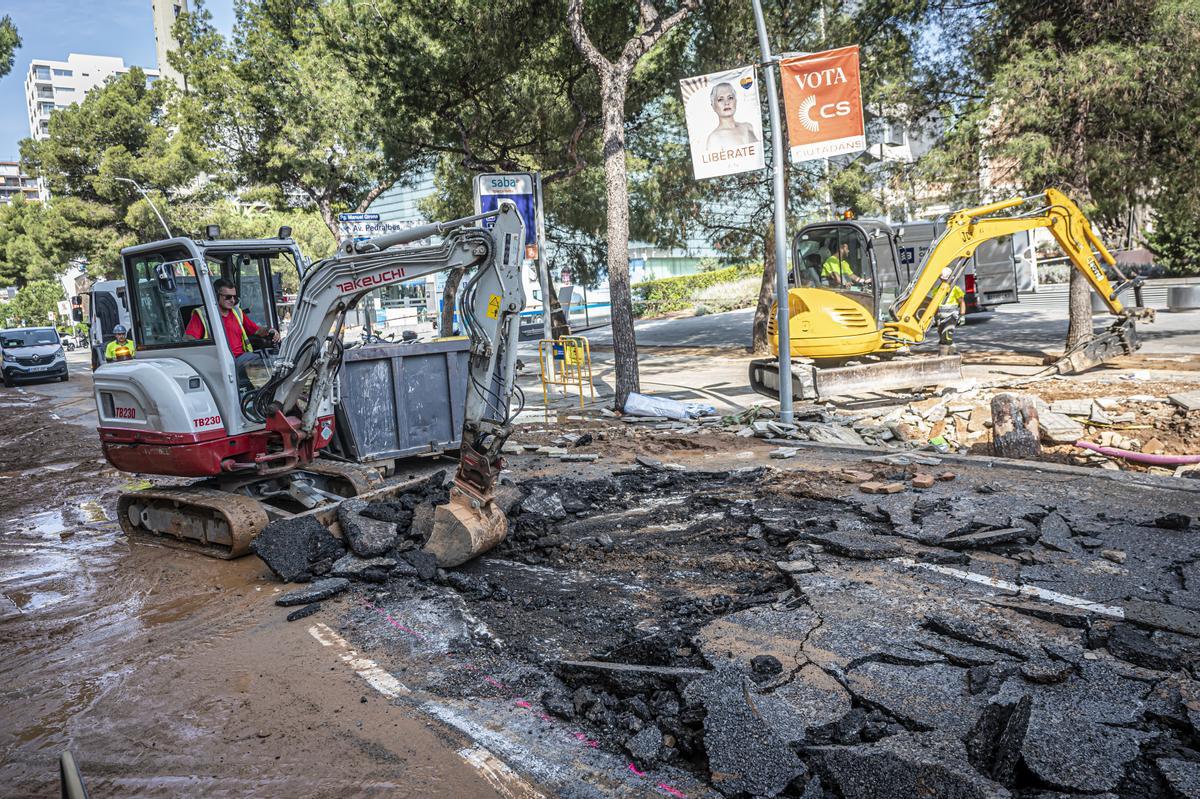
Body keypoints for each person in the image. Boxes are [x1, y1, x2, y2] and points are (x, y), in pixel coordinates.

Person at [185, 278, 280, 385]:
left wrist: (270, 330)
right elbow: (189, 339)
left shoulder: (237, 312)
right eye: (228, 297)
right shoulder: (203, 315)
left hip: (241, 358)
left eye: (234, 297)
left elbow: (257, 330)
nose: (232, 300)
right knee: (265, 365)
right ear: (216, 296)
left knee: (275, 364)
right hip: (221, 363)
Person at [705, 82, 759, 151]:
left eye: (730, 98)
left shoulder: (748, 127)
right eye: (720, 99)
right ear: (713, 106)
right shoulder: (714, 138)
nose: (726, 103)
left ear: (736, 101)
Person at [935, 283, 967, 355]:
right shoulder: (938, 289)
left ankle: (943, 356)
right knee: (942, 336)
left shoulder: (955, 289)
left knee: (946, 336)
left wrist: (962, 315)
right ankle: (952, 353)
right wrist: (935, 317)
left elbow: (962, 302)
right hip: (941, 317)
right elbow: (935, 305)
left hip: (951, 316)